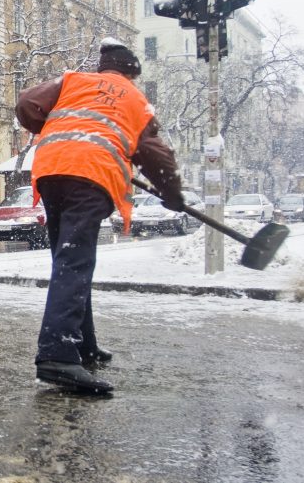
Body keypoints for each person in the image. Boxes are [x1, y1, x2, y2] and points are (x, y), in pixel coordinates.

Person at [16, 39, 184, 394]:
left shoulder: (73, 82)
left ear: (103, 68)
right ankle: (57, 355)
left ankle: (80, 344)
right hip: (90, 175)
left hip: (51, 170)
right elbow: (153, 153)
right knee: (74, 262)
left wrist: (53, 128)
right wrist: (173, 193)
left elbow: (27, 104)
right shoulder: (135, 99)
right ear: (130, 73)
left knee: (68, 261)